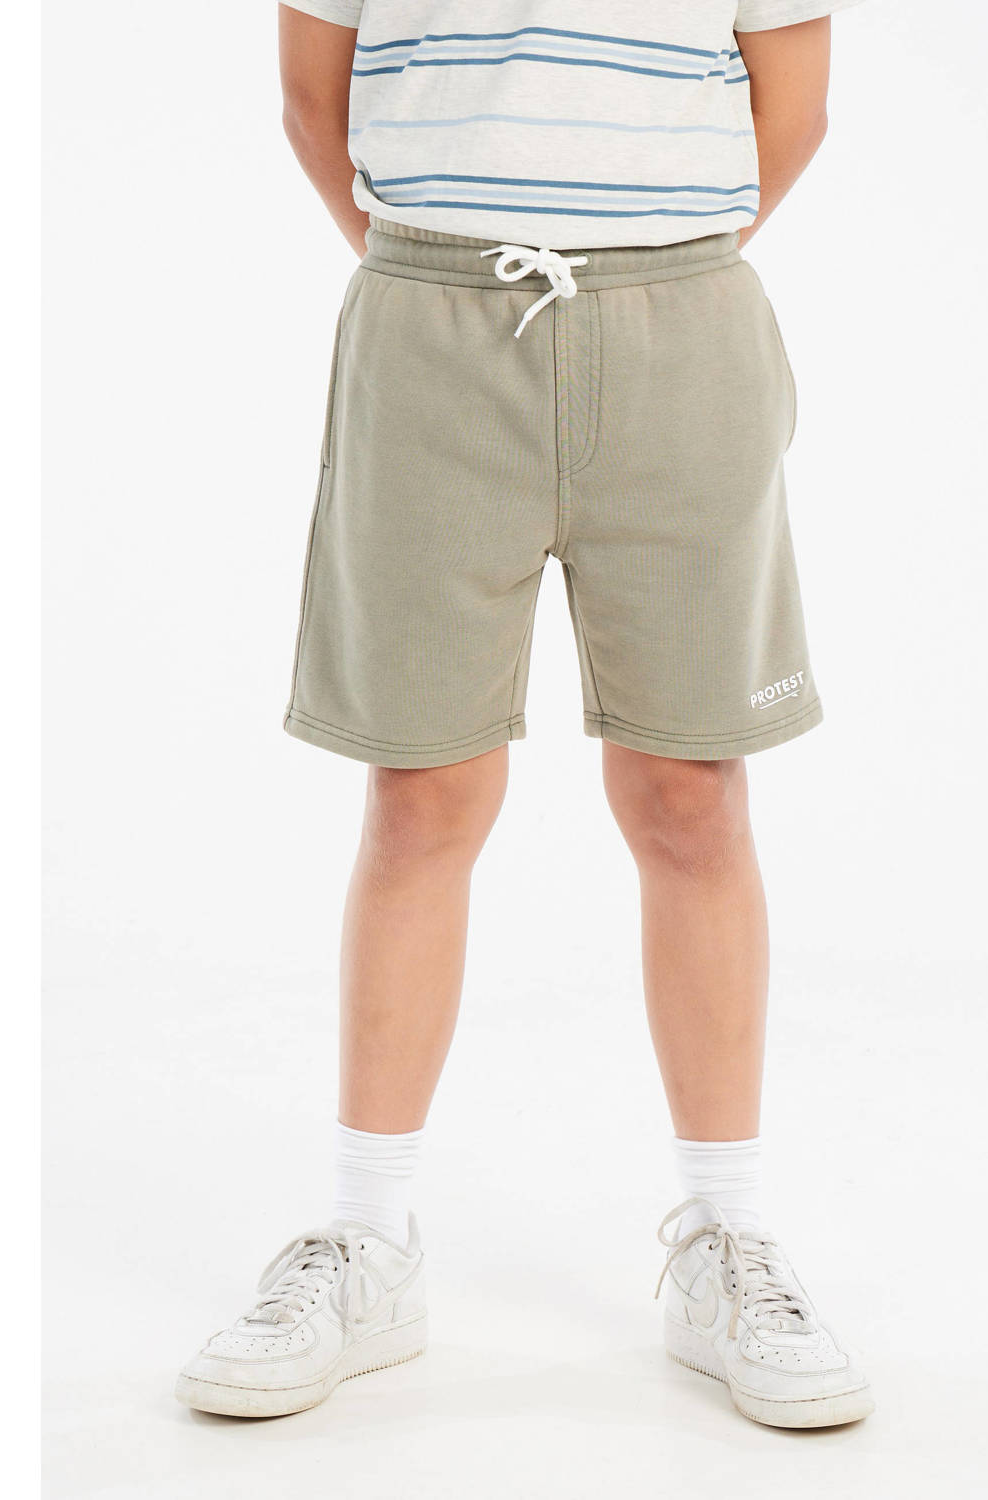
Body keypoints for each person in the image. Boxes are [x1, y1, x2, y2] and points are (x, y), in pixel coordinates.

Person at [177, 0, 873, 1430]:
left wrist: (643, 266)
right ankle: (369, 1239)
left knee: (691, 793)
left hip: (683, 328)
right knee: (421, 791)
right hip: (429, 331)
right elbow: (314, 100)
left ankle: (726, 1240)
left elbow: (792, 111)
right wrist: (439, 272)